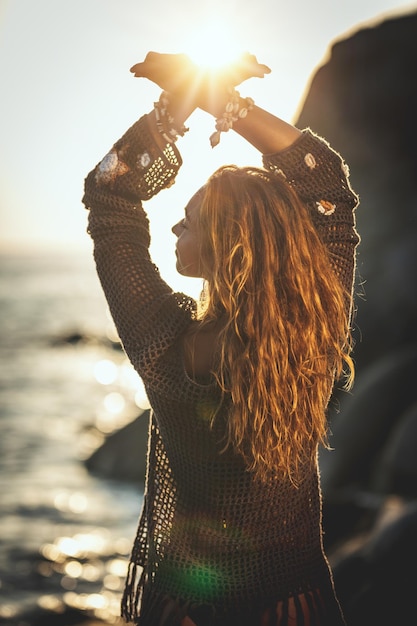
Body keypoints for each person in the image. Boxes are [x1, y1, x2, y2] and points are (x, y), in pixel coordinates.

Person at [82, 52, 360, 626]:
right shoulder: (310, 333)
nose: (176, 228)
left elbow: (111, 196)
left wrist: (175, 108)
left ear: (230, 243)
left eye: (189, 220)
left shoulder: (162, 342)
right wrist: (222, 103)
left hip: (183, 606)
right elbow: (326, 185)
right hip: (292, 602)